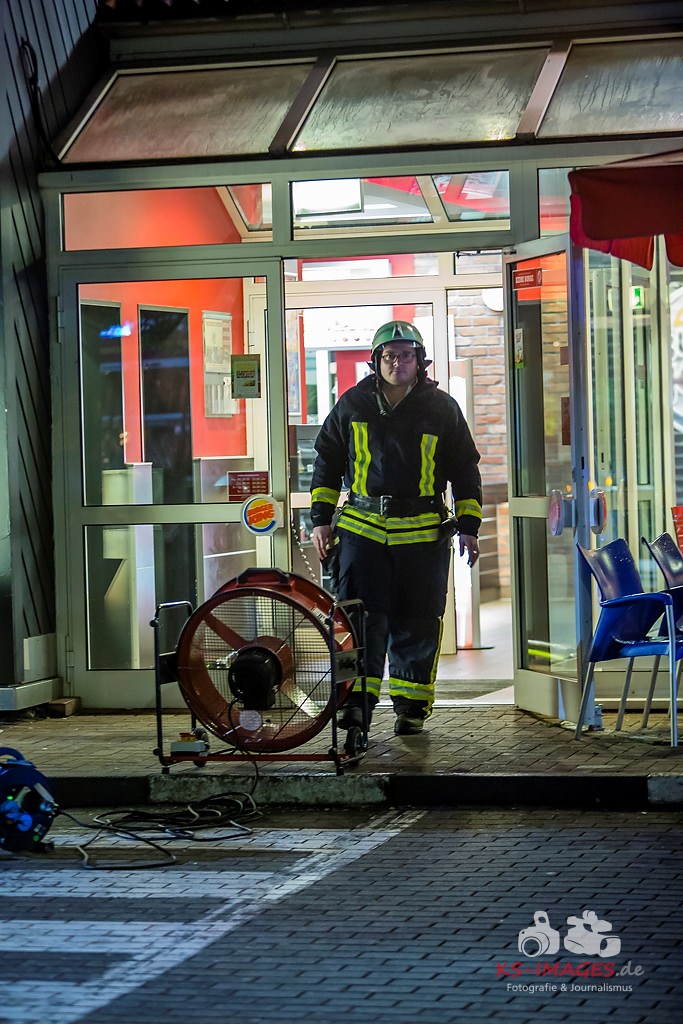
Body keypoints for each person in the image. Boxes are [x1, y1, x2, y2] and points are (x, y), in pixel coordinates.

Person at [310, 319, 482, 736]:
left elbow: (465, 469)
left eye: (406, 355)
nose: (397, 363)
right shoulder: (352, 404)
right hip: (362, 531)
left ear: (419, 361)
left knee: (417, 622)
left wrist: (469, 526)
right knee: (358, 622)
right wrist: (321, 520)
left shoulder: (442, 408)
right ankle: (355, 706)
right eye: (389, 355)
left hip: (422, 535)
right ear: (376, 361)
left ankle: (411, 709)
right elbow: (327, 462)